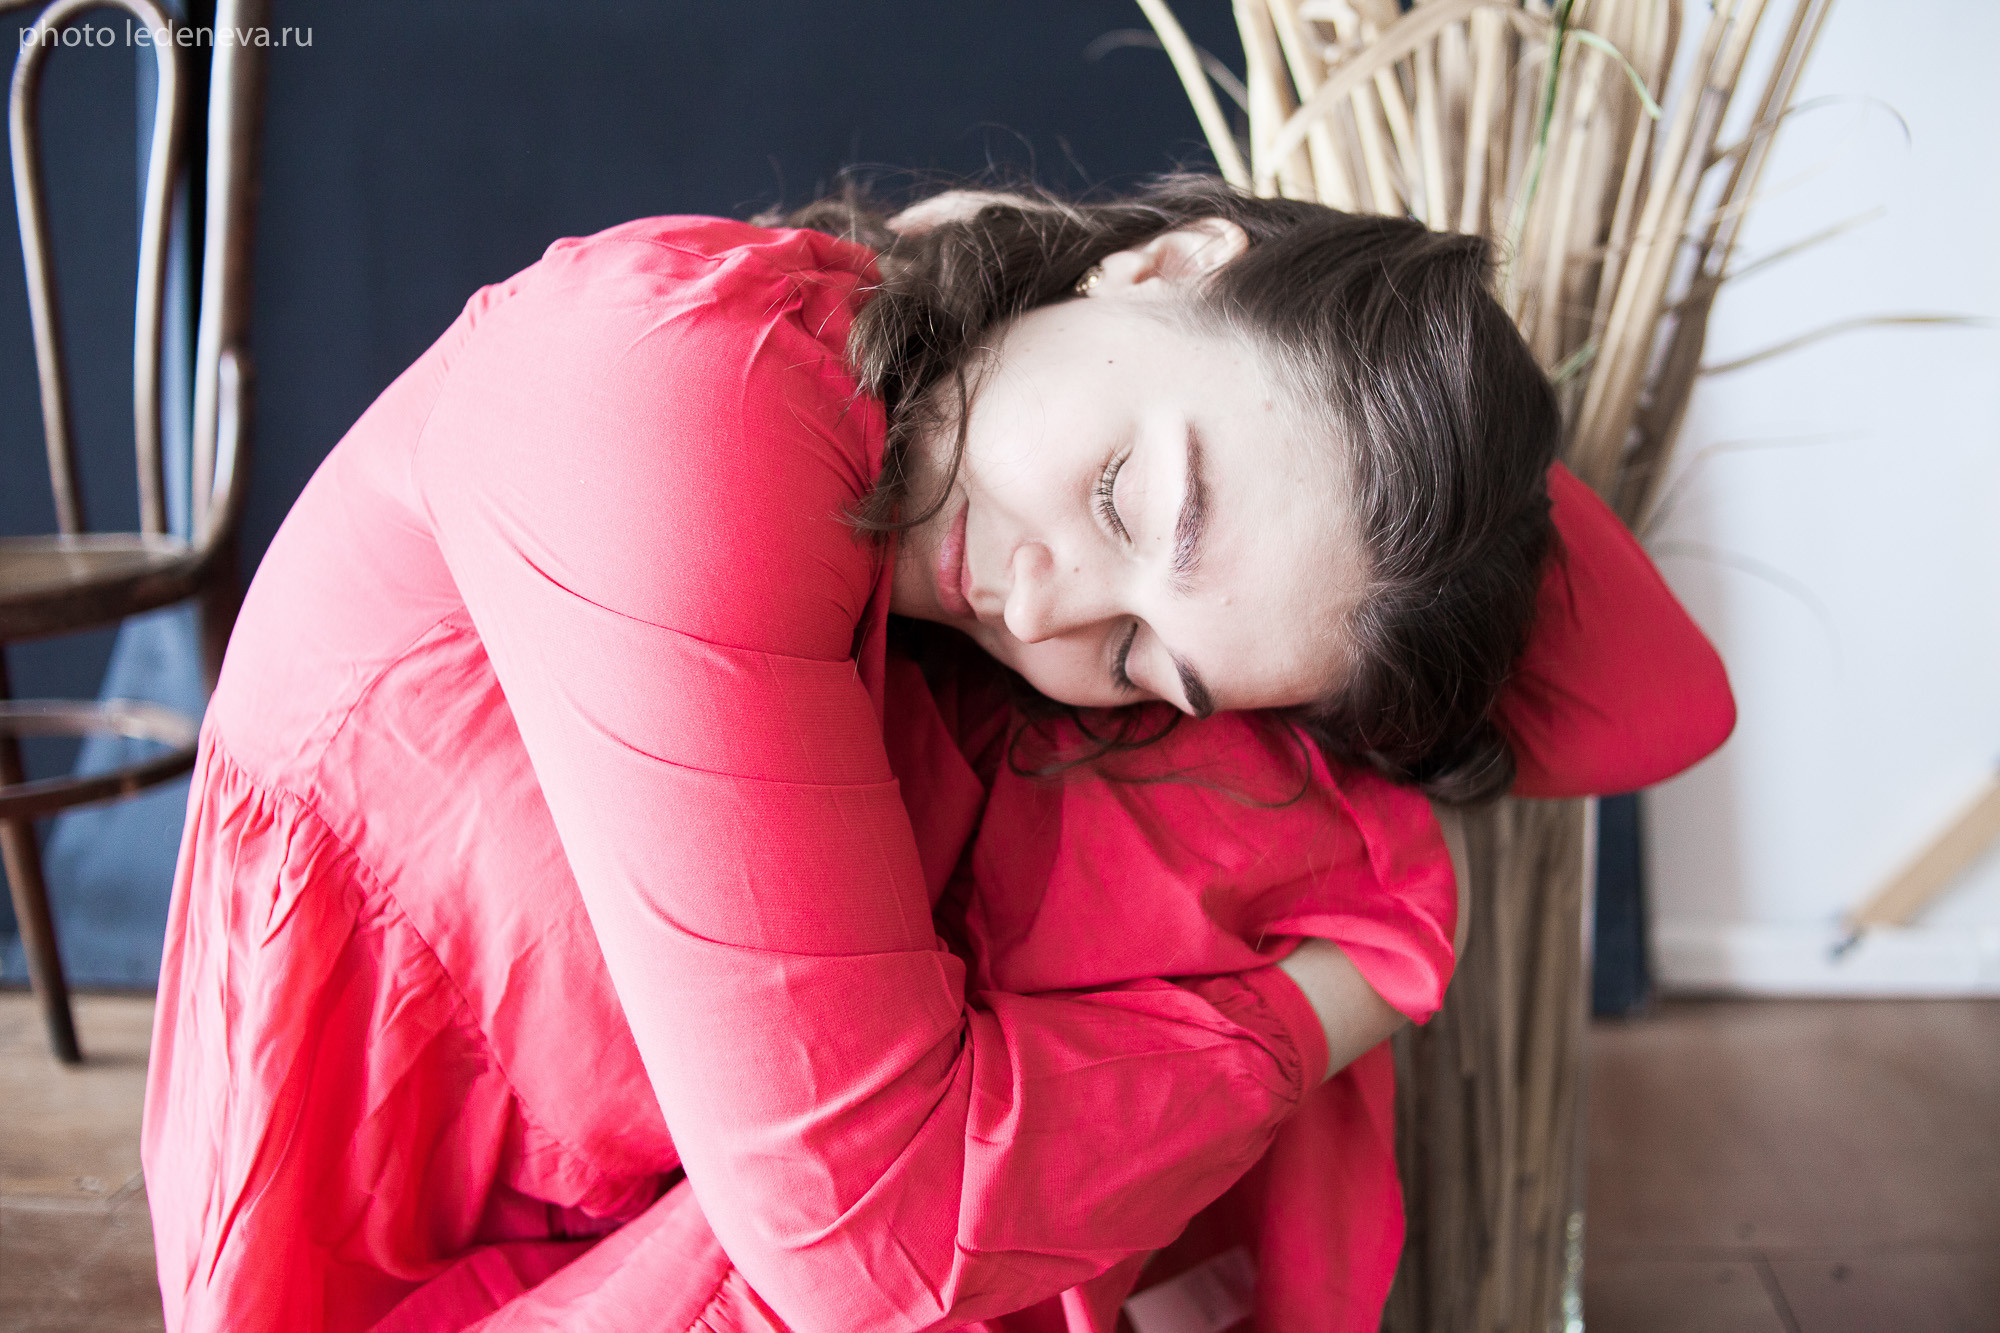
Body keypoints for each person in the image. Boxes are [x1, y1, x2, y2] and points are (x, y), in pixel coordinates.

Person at [141, 177, 1732, 1332]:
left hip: (697, 1189)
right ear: (1167, 259)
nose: (1048, 601)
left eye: (1142, 649)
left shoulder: (946, 396)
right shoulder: (675, 400)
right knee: (1239, 866)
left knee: (1239, 808)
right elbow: (868, 1246)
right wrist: (1325, 1003)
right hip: (428, 1226)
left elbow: (1652, 703)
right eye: (1130, 497)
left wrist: (1386, 476)